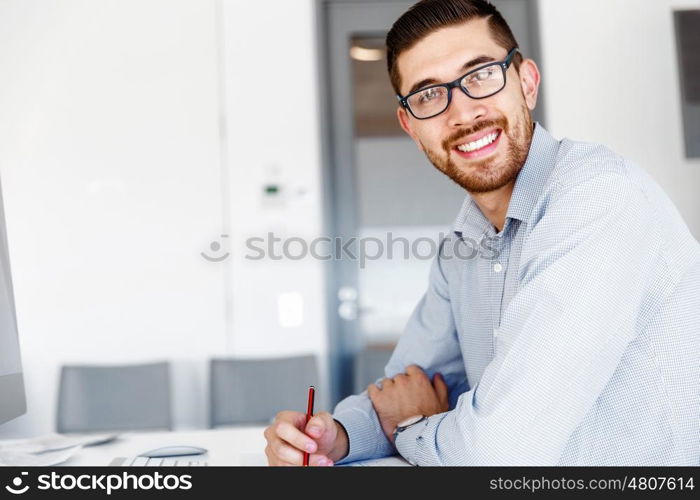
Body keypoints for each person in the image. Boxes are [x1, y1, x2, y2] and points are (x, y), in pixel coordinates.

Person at [264, 0, 700, 466]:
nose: (463, 112)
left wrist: (413, 428)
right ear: (411, 126)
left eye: (480, 75)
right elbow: (406, 386)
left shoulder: (598, 200)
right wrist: (336, 437)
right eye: (428, 95)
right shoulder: (463, 245)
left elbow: (501, 450)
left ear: (527, 83)